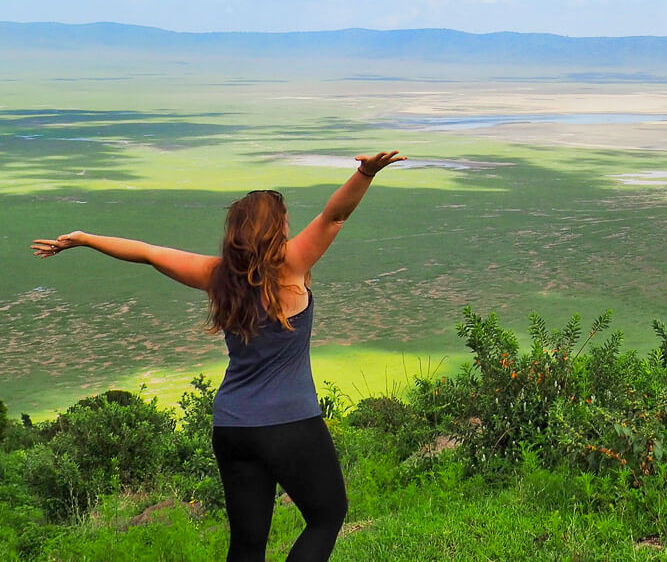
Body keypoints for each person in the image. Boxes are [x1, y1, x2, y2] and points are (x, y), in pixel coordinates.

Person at [31, 149, 407, 562]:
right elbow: (334, 216)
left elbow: (146, 252)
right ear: (276, 229)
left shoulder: (215, 276)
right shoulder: (291, 266)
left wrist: (83, 238)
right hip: (289, 422)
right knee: (326, 515)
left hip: (232, 425)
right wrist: (366, 173)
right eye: (284, 220)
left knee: (247, 542)